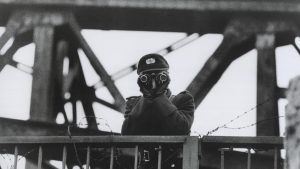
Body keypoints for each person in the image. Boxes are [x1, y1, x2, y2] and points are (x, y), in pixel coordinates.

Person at [121, 53, 195, 169]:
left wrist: (159, 95)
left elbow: (181, 128)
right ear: (140, 80)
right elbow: (127, 133)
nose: (153, 79)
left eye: (159, 75)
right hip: (146, 165)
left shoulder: (183, 99)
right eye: (146, 76)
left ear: (167, 76)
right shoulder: (134, 104)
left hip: (174, 165)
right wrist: (147, 95)